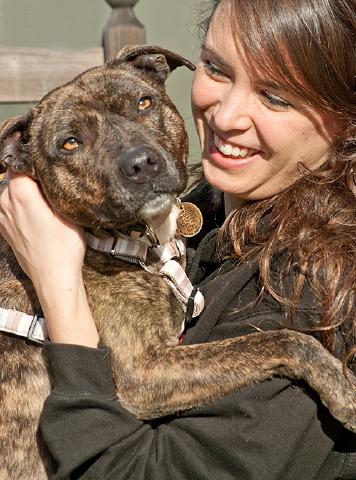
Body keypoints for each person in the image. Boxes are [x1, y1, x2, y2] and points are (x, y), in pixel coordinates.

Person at [0, 0, 355, 478]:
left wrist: (55, 279)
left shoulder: (315, 286)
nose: (226, 116)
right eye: (214, 67)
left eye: (275, 96)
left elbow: (140, 400)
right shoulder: (203, 211)